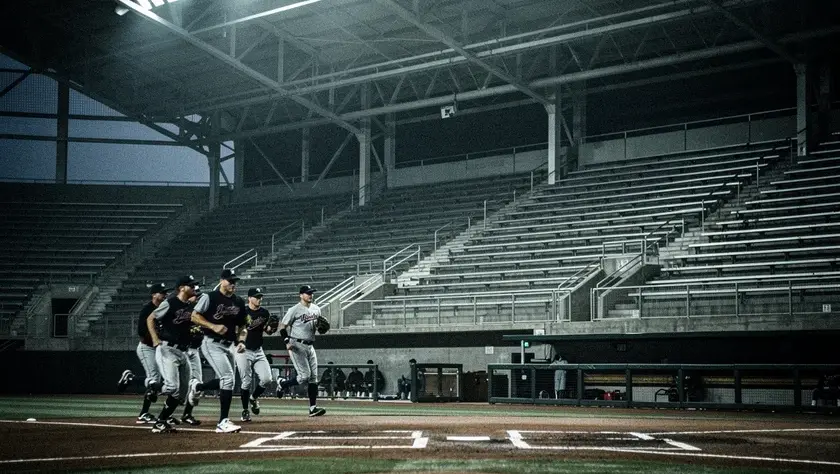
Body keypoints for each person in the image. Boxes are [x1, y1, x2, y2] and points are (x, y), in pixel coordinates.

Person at [188, 268, 249, 434]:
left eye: (235, 281)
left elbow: (244, 325)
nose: (233, 284)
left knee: (227, 380)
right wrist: (212, 325)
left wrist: (242, 340)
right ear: (222, 280)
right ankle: (222, 422)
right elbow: (194, 316)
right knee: (228, 378)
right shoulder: (210, 297)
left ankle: (198, 387)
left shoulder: (238, 301)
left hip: (229, 345)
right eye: (230, 281)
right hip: (211, 343)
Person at [147, 275, 199, 434]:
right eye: (191, 286)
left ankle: (162, 421)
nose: (194, 288)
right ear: (182, 287)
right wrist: (155, 339)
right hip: (167, 349)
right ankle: (151, 385)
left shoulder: (190, 306)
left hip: (183, 352)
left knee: (182, 393)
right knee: (172, 388)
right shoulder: (170, 303)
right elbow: (151, 318)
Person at [118, 282, 169, 424]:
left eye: (165, 292)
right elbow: (141, 331)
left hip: (160, 348)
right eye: (162, 292)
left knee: (160, 380)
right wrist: (155, 337)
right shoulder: (147, 309)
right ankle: (143, 413)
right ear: (154, 294)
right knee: (154, 379)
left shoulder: (165, 308)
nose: (165, 295)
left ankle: (131, 379)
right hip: (147, 347)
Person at [276, 285, 326, 417]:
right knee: (304, 376)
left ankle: (313, 408)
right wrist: (287, 342)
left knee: (313, 378)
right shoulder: (295, 309)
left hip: (310, 345)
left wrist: (322, 329)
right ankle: (282, 384)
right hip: (296, 345)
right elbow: (282, 326)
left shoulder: (317, 309)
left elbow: (319, 328)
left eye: (311, 293)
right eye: (308, 293)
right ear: (301, 295)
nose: (310, 295)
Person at [234, 287, 276, 422]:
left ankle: (253, 398)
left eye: (260, 296)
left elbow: (267, 330)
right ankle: (245, 410)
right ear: (249, 298)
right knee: (246, 381)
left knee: (267, 378)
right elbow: (237, 329)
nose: (259, 299)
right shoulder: (243, 312)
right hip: (243, 350)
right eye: (256, 296)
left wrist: (272, 328)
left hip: (258, 350)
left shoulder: (264, 313)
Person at [178, 291, 204, 426]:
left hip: (195, 349)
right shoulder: (183, 310)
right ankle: (168, 415)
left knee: (197, 384)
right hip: (182, 350)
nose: (197, 298)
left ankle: (187, 414)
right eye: (196, 295)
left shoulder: (202, 312)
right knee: (178, 385)